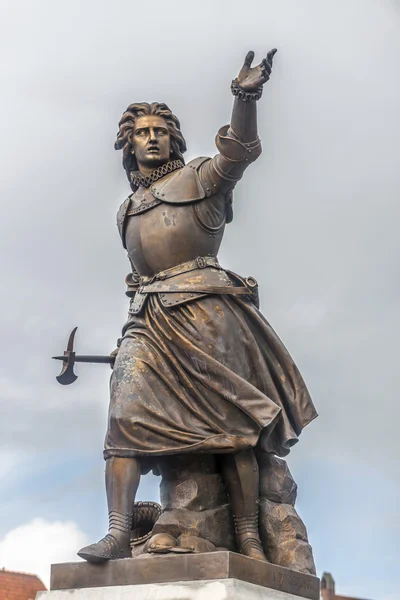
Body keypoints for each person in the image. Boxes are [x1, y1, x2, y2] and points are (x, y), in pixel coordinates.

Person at [78, 49, 317, 564]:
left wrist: (245, 97)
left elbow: (241, 150)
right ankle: (120, 531)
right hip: (150, 318)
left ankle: (249, 536)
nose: (152, 137)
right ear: (127, 144)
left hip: (209, 310)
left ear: (175, 139)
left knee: (233, 428)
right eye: (141, 131)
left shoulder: (201, 179)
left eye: (160, 130)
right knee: (124, 417)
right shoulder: (127, 209)